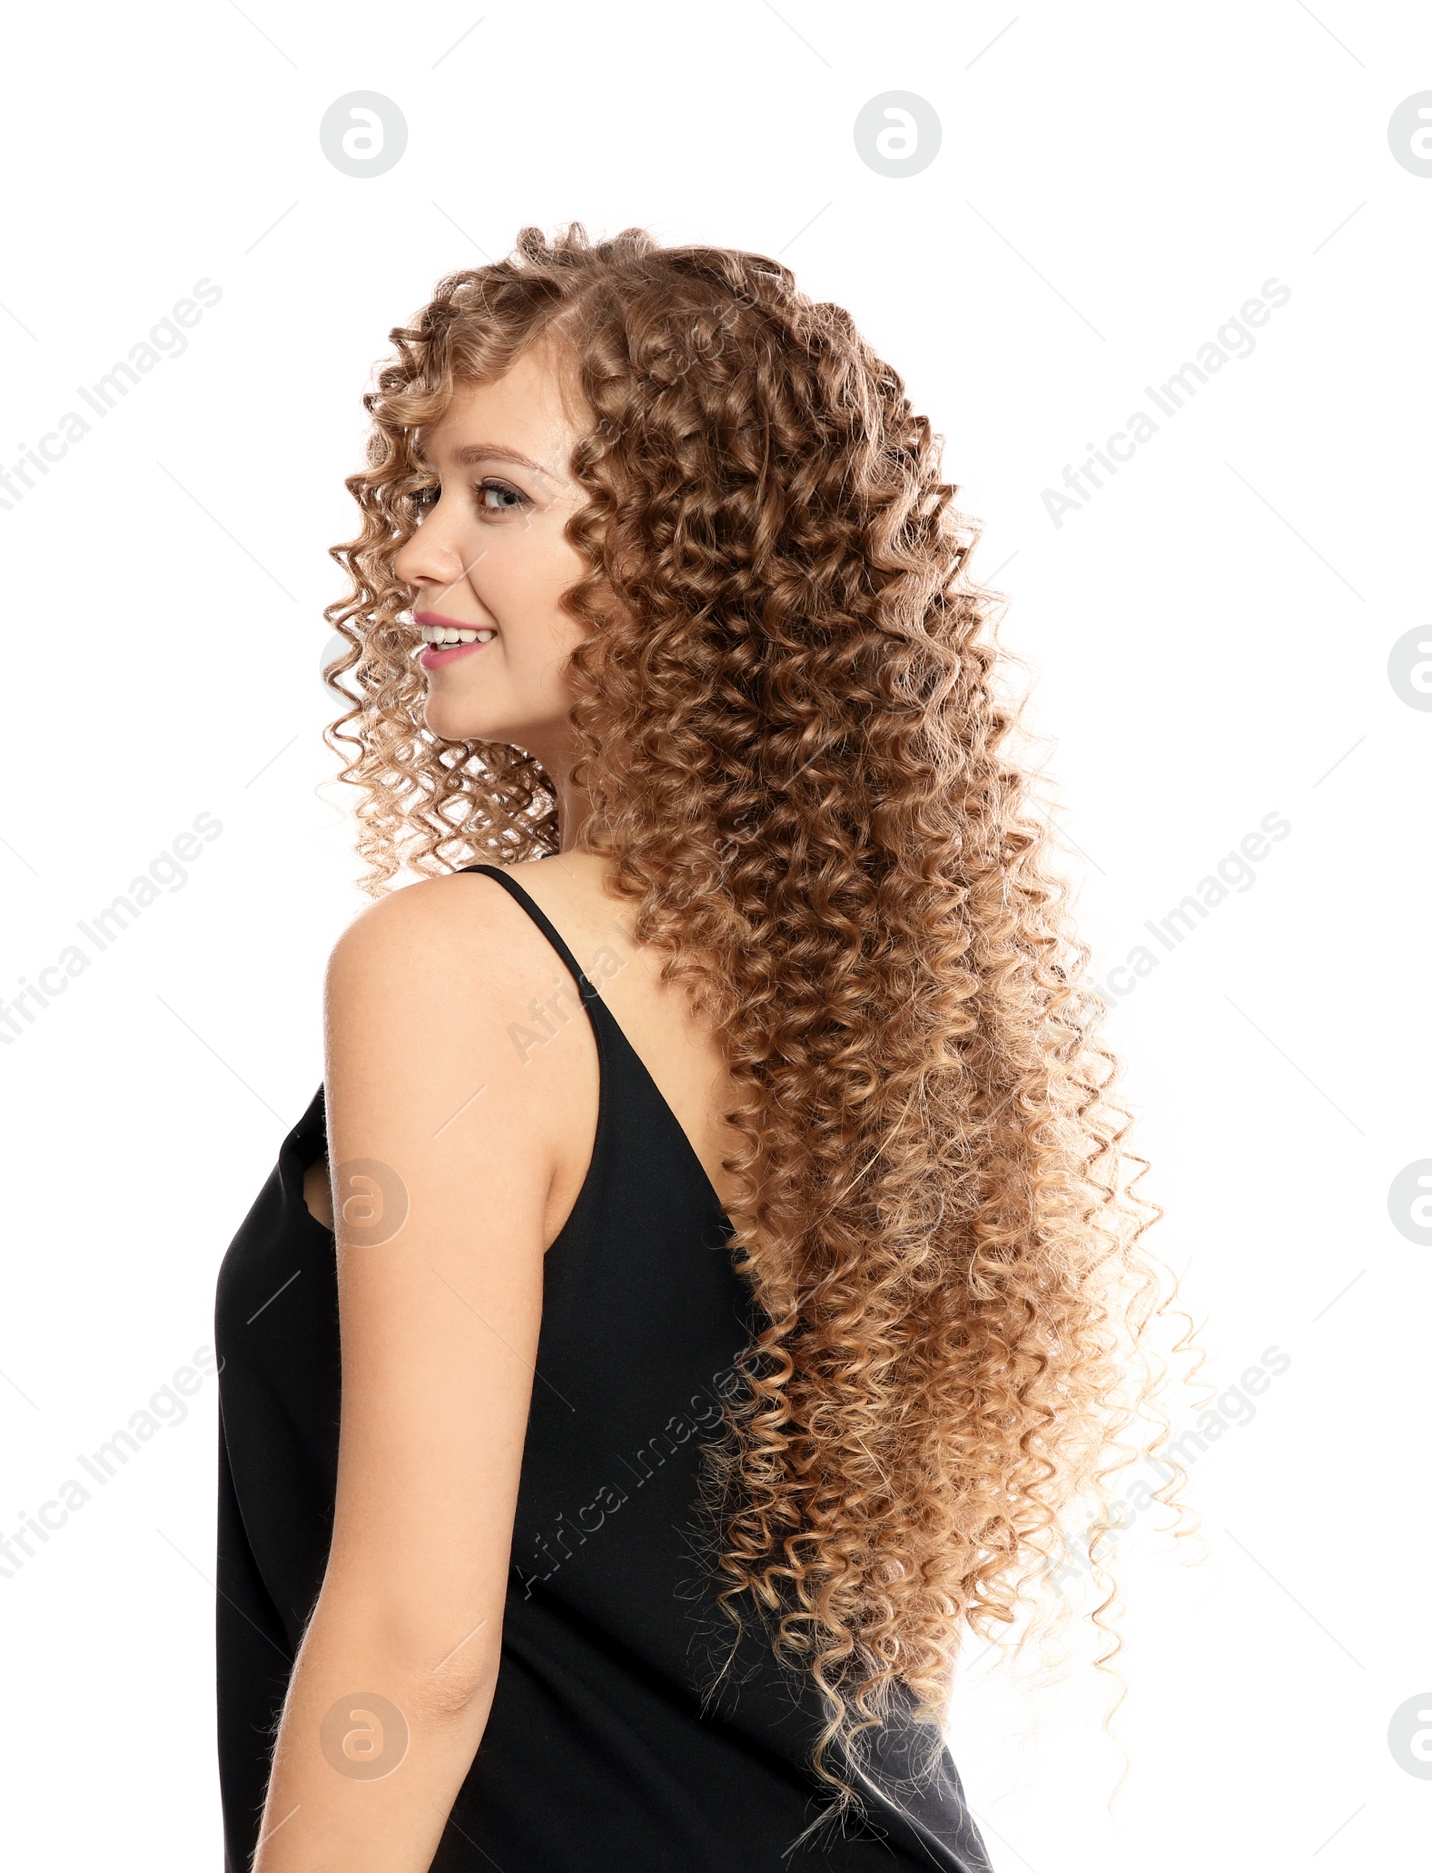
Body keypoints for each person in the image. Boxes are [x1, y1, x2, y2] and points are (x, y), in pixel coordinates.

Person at [214, 223, 1188, 1873]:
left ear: (688, 557)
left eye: (497, 497)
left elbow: (410, 1652)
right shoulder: (881, 995)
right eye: (422, 495)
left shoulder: (452, 971)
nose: (411, 559)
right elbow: (873, 1637)